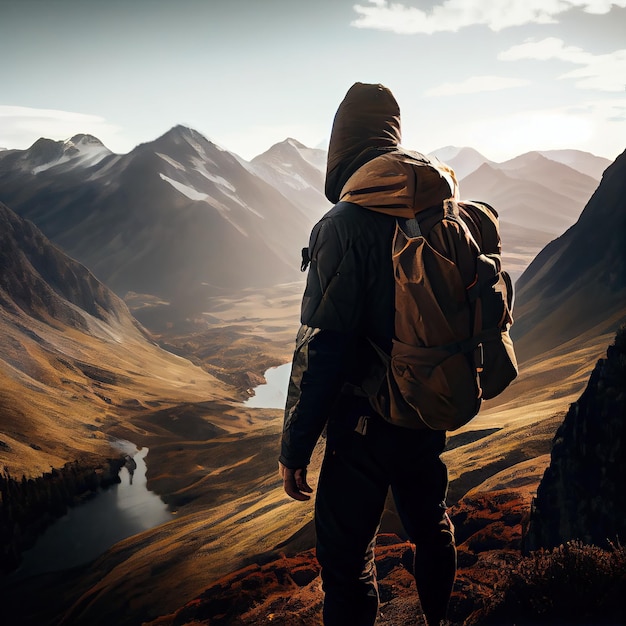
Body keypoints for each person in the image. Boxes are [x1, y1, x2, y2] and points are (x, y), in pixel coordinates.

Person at [279, 82, 458, 626]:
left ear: (341, 145)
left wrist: (295, 447)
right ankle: (439, 620)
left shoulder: (342, 226)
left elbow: (322, 349)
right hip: (428, 408)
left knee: (346, 556)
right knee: (430, 527)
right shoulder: (445, 210)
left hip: (364, 422)